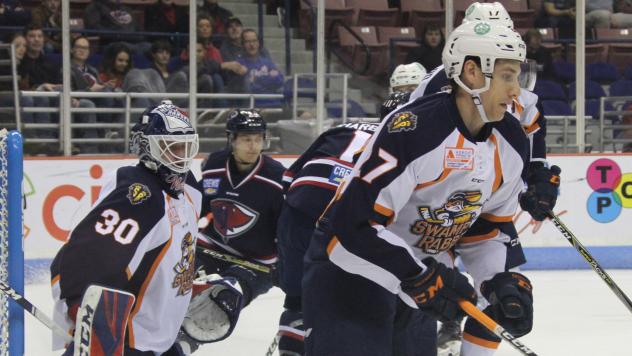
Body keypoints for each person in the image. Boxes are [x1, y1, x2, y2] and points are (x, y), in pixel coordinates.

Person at [302, 20, 536, 356]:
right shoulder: (413, 130)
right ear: (472, 72)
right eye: (507, 76)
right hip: (351, 273)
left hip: (421, 280)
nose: (517, 91)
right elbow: (353, 226)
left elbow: (487, 228)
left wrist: (497, 282)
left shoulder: (512, 141)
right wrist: (417, 274)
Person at [408, 4, 560, 355]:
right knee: (428, 291)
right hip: (432, 208)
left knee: (506, 295)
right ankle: (436, 329)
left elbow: (531, 140)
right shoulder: (438, 85)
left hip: (485, 204)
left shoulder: (518, 93)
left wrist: (536, 179)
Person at [50, 100, 202, 355]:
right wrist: (83, 309)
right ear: (146, 148)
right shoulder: (139, 195)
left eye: (186, 146)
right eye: (172, 147)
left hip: (160, 340)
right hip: (125, 342)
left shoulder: (192, 191)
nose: (181, 156)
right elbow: (86, 258)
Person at [276, 90, 414, 355]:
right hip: (344, 222)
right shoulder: (407, 146)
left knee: (297, 304)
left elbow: (287, 181)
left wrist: (286, 257)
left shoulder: (341, 128)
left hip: (298, 210)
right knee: (357, 306)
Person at [178, 109, 285, 352]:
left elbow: (286, 227)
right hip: (212, 248)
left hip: (256, 263)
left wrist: (287, 262)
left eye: (258, 139)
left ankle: (182, 346)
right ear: (232, 139)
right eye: (247, 139)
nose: (254, 146)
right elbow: (199, 206)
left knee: (219, 304)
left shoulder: (276, 177)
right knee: (173, 283)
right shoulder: (214, 164)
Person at [237, 29, 284, 106]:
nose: (252, 45)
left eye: (254, 41)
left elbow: (280, 80)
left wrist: (258, 79)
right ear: (242, 44)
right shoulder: (240, 64)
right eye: (247, 42)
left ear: (258, 43)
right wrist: (269, 79)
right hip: (254, 107)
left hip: (275, 105)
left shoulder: (267, 62)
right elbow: (250, 88)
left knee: (306, 115)